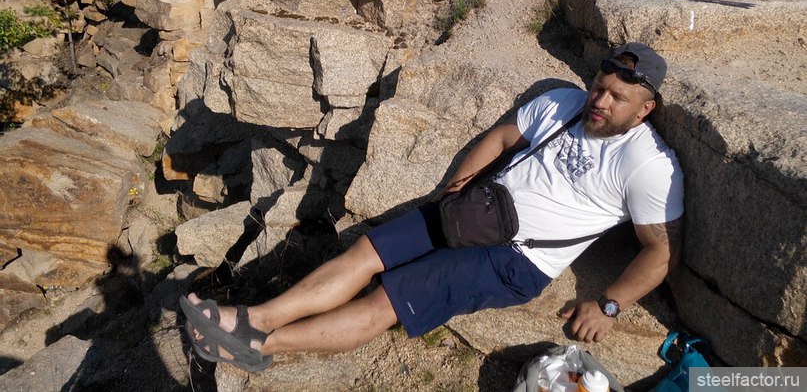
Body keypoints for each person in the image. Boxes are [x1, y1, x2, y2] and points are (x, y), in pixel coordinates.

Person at [180, 42, 684, 372]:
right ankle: (255, 317)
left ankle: (255, 347)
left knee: (385, 301)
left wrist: (609, 304)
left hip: (516, 258)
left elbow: (660, 251)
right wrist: (456, 188)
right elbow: (503, 137)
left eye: (617, 98)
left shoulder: (647, 165)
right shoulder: (565, 102)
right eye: (599, 87)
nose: (600, 102)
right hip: (477, 210)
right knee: (365, 255)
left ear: (645, 109)